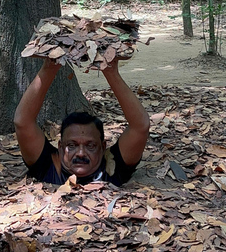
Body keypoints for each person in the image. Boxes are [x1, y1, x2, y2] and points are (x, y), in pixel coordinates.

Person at [14, 58, 150, 187]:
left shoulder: (112, 166)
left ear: (103, 147)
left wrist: (110, 72)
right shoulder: (50, 165)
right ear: (60, 147)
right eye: (71, 145)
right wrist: (49, 68)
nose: (80, 153)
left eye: (90, 146)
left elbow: (140, 126)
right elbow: (22, 122)